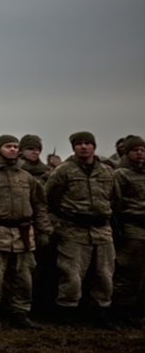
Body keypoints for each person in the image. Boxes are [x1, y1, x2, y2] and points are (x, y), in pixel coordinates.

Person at [0, 134, 52, 331]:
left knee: (24, 278)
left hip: (23, 234)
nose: (13, 149)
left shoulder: (26, 176)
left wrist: (44, 230)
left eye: (15, 146)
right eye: (8, 146)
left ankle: (20, 314)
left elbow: (39, 205)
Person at [45, 131, 121, 329]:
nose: (84, 147)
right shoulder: (63, 171)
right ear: (73, 148)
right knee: (72, 275)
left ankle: (100, 310)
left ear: (94, 146)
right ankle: (66, 311)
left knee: (105, 274)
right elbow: (50, 198)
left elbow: (115, 199)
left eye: (88, 143)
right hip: (73, 230)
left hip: (102, 230)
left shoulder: (107, 172)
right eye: (79, 144)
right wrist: (63, 220)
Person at [112, 135, 145, 323]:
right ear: (126, 153)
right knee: (130, 274)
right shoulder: (120, 174)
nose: (139, 154)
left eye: (142, 150)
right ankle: (120, 311)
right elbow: (116, 203)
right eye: (135, 150)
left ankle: (138, 311)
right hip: (133, 229)